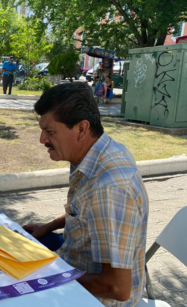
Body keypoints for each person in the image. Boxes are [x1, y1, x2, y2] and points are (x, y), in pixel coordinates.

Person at [22, 82, 148, 307]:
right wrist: (49, 226)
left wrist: (48, 280)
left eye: (50, 131)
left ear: (81, 129)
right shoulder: (96, 152)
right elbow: (87, 212)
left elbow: (116, 288)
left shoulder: (109, 190)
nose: (42, 140)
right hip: (74, 260)